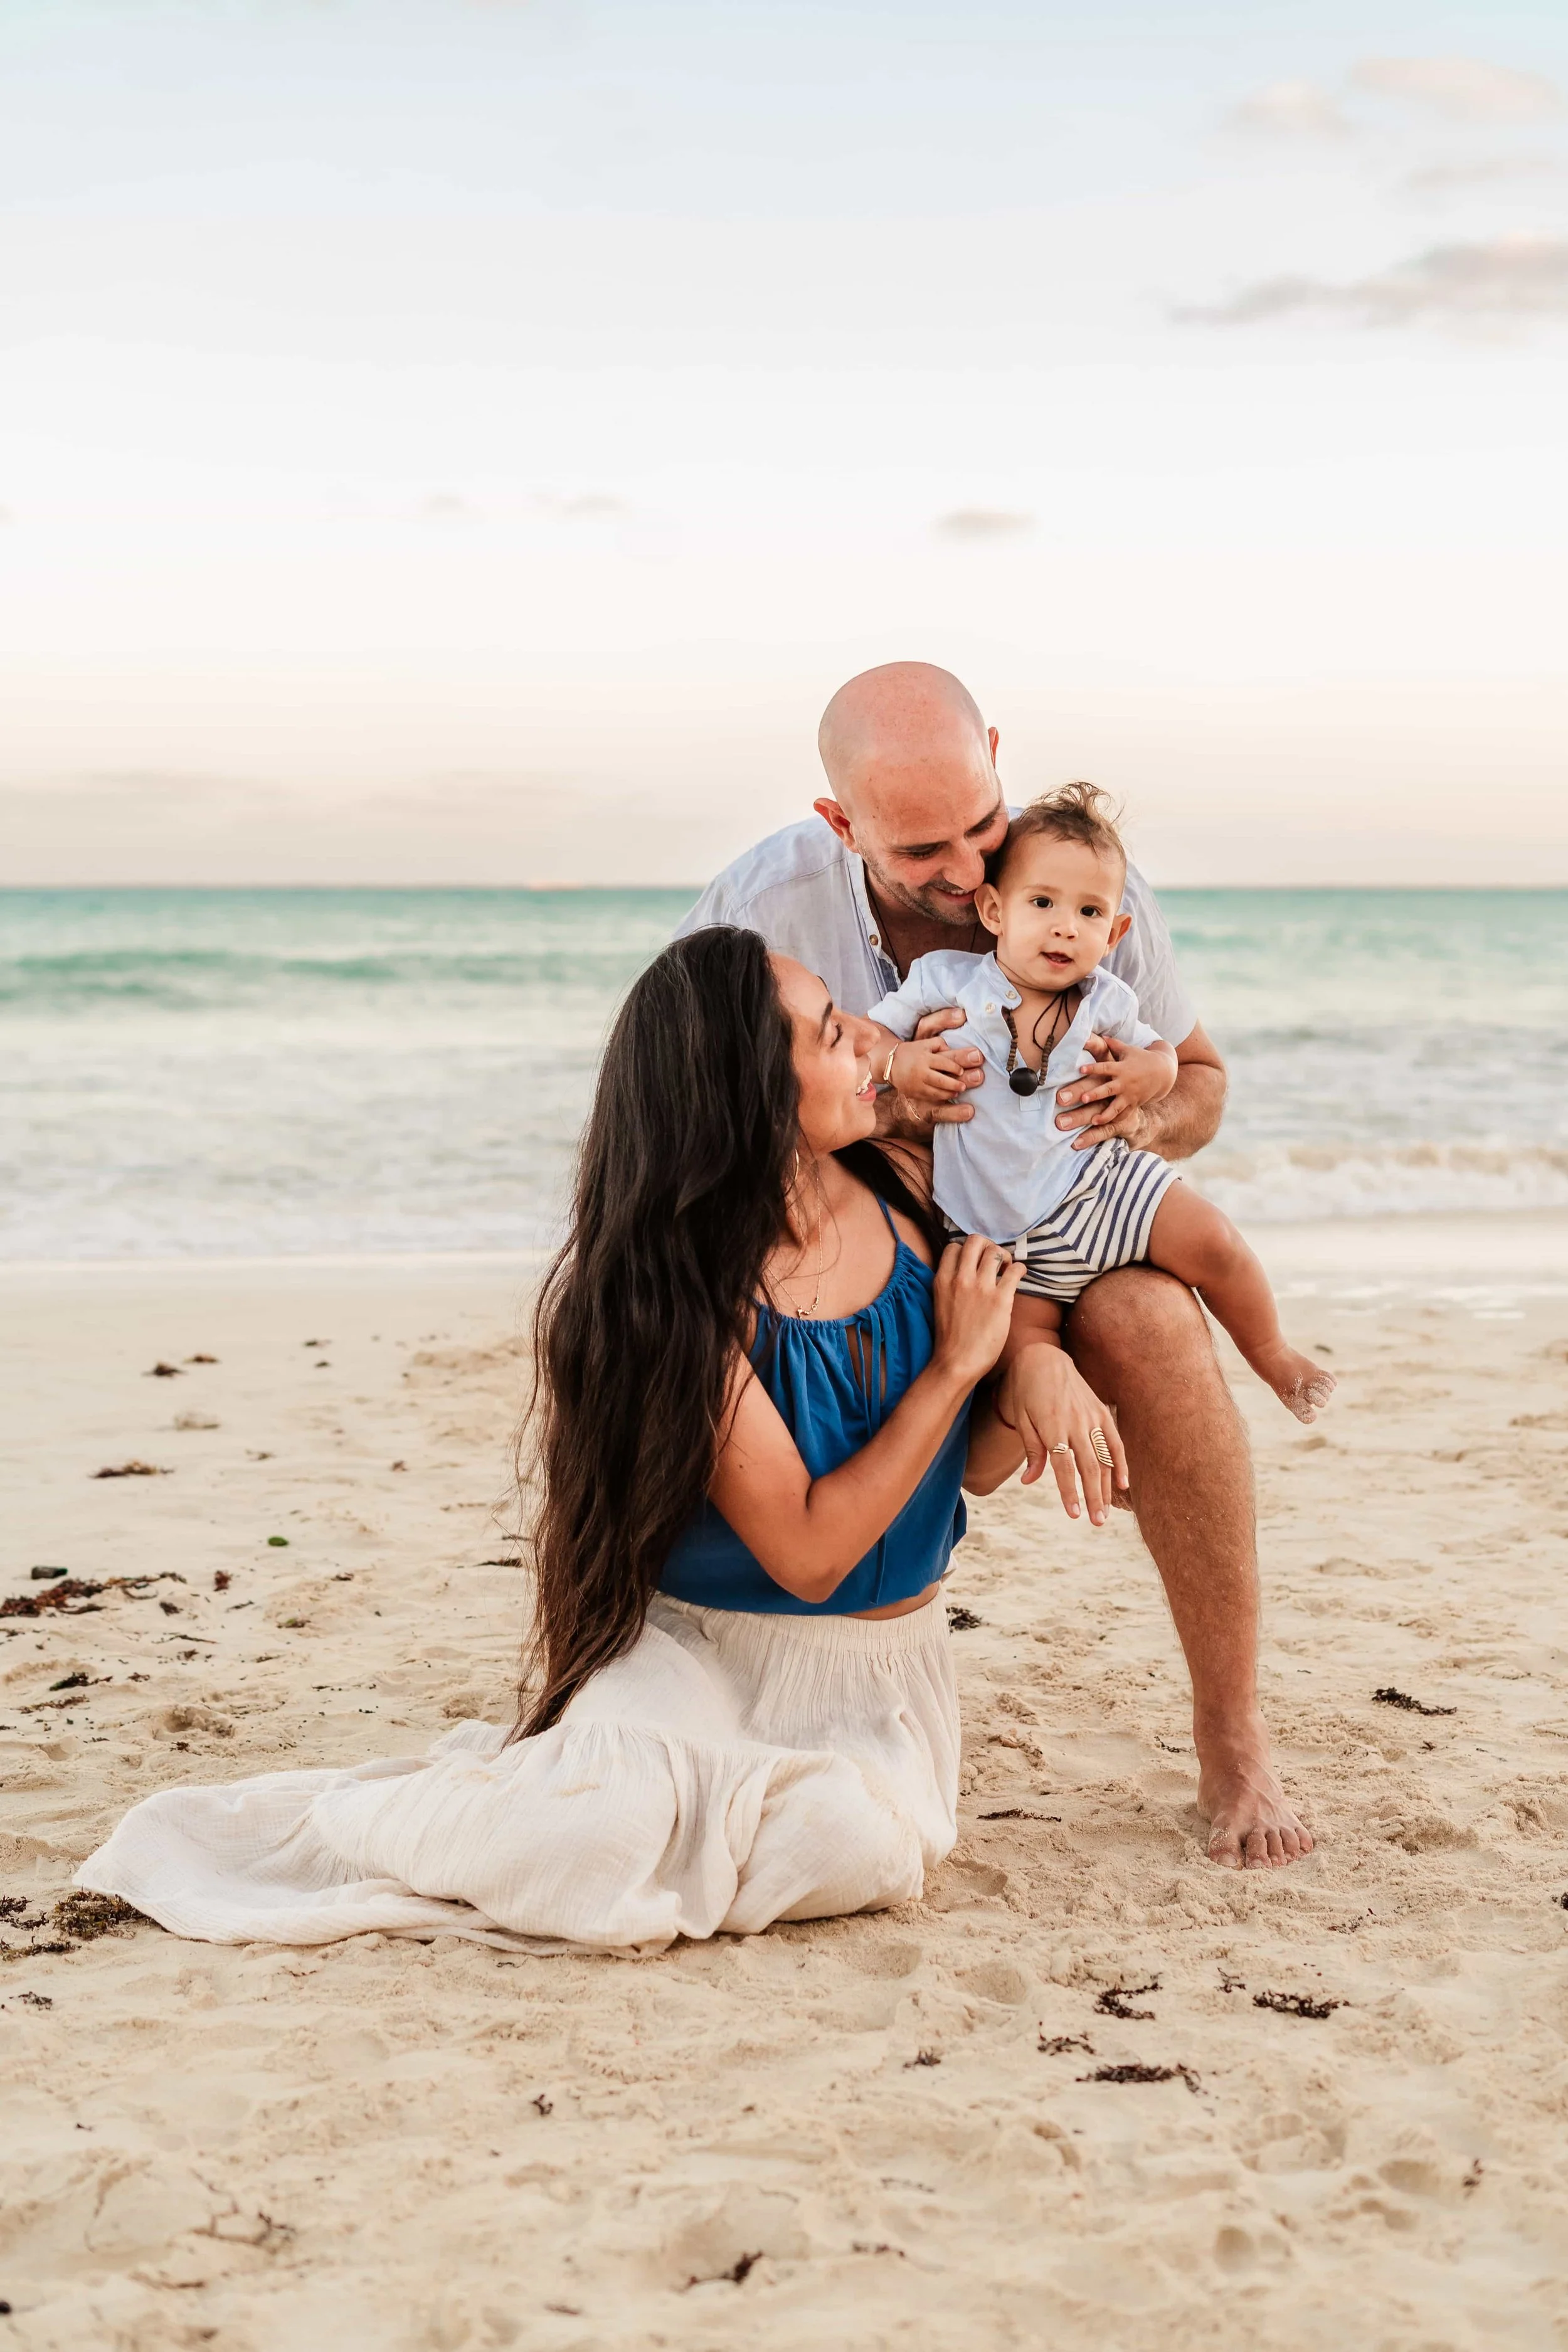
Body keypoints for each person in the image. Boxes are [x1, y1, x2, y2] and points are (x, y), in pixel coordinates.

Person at [75, 926, 1062, 1952]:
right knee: (602, 1823)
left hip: (874, 1685)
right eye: (828, 1031)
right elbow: (810, 1556)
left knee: (853, 1839)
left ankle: (639, 1806)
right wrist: (953, 1371)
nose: (869, 1036)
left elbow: (971, 1469)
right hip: (698, 1652)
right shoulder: (680, 1296)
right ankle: (375, 1822)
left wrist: (1030, 1383)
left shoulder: (911, 1192)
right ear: (749, 1096)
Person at [677, 660, 1315, 1870]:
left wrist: (1147, 1101)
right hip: (883, 1240)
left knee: (1159, 1326)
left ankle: (1233, 1741)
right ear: (841, 825)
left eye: (980, 822)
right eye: (923, 849)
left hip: (1070, 1225)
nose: (970, 871)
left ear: (999, 763)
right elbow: (695, 1130)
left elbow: (1204, 1087)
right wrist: (892, 1105)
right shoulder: (759, 910)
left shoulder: (1071, 883)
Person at [867, 781, 1335, 1422]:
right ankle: (1089, 1426)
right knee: (1025, 1347)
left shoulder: (1106, 999)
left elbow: (1164, 1055)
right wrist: (899, 1061)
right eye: (1042, 902)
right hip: (1001, 1230)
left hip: (1105, 1190)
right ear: (993, 911)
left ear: (1114, 930)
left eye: (1089, 913)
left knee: (1216, 1244)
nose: (1065, 925)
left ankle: (1270, 1352)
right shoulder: (943, 979)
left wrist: (1151, 1075)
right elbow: (866, 1039)